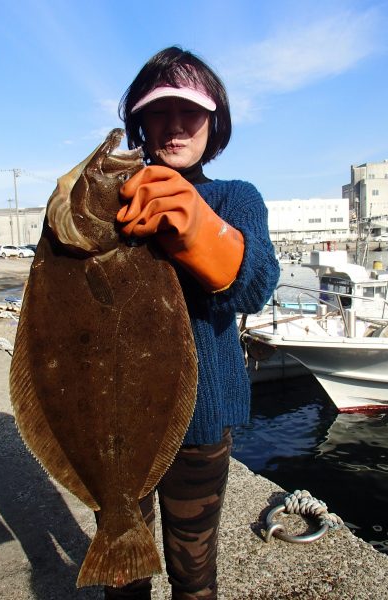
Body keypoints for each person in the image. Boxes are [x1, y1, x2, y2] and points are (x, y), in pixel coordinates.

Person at [109, 46, 280, 600]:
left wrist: (201, 230)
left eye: (192, 112)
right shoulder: (110, 200)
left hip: (200, 422)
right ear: (139, 121)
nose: (176, 125)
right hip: (115, 424)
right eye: (159, 112)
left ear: (214, 122)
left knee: (194, 574)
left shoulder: (236, 197)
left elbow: (255, 288)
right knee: (121, 567)